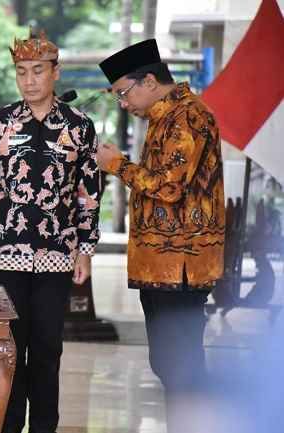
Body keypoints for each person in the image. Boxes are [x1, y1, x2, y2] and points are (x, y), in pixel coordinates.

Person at [0, 30, 101, 433]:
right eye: (21, 72)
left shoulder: (78, 127)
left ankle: (44, 427)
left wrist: (86, 250)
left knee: (46, 349)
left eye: (38, 71)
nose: (29, 80)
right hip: (1, 253)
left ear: (55, 73)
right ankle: (5, 426)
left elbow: (88, 192)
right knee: (5, 348)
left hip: (56, 256)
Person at [97, 39, 225, 433]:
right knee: (171, 363)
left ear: (149, 80)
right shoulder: (164, 118)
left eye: (123, 92)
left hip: (181, 265)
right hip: (161, 264)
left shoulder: (187, 117)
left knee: (180, 364)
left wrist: (116, 163)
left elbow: (169, 188)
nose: (122, 102)